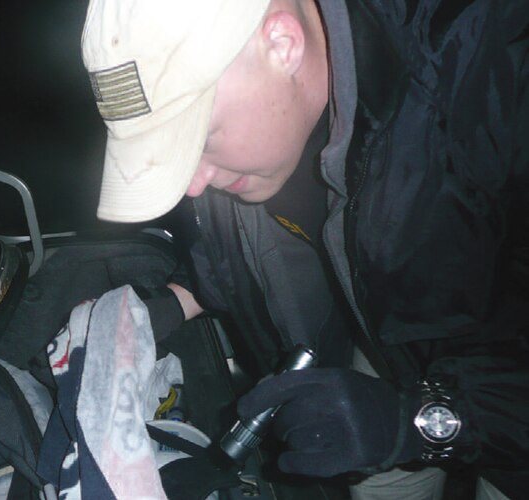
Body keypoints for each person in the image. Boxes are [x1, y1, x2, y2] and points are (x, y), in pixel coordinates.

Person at [80, 0, 529, 498]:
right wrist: (178, 298)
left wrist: (430, 420)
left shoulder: (499, 67)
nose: (191, 184)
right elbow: (244, 240)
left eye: (201, 140)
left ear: (282, 44)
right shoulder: (253, 140)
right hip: (394, 352)